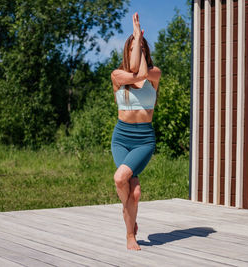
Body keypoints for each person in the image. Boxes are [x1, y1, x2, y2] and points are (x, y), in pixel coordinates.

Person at [110, 12, 162, 251]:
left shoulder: (154, 74)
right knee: (134, 191)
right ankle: (131, 233)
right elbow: (133, 70)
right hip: (121, 138)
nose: (135, 50)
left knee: (123, 182)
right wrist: (135, 34)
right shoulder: (118, 76)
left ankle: (127, 215)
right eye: (132, 46)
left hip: (143, 140)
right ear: (127, 50)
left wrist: (137, 36)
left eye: (139, 46)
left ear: (144, 49)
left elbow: (140, 72)